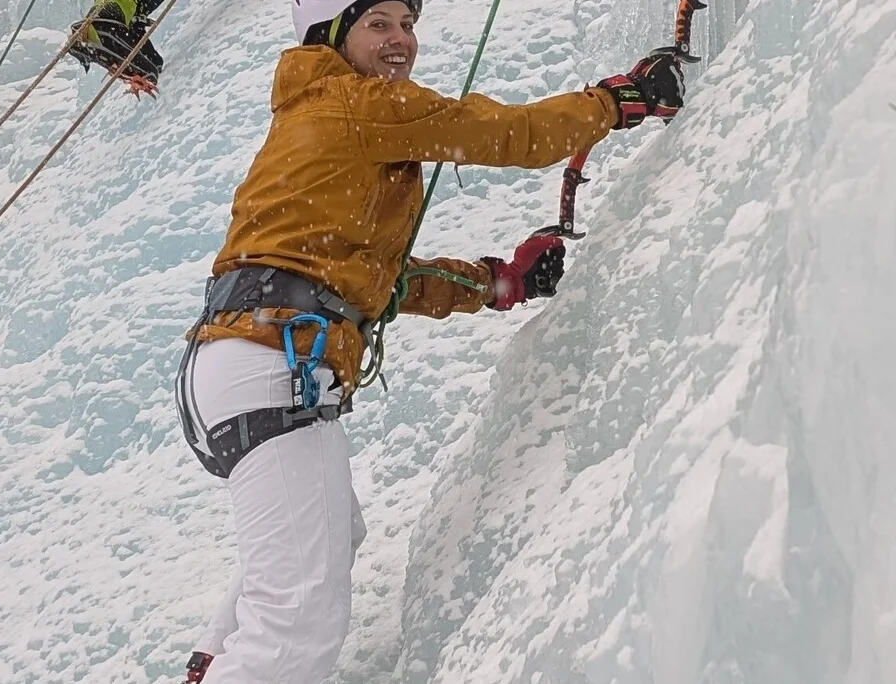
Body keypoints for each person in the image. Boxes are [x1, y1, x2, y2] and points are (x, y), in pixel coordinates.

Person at [174, 0, 686, 681]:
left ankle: (212, 663)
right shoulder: (351, 105)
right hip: (272, 361)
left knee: (318, 552)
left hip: (247, 360)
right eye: (378, 23)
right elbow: (509, 134)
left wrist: (496, 283)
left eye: (408, 25)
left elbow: (380, 280)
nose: (400, 41)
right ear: (332, 34)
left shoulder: (324, 114)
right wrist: (616, 101)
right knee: (296, 625)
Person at [68, 0, 165, 92]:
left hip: (112, 16)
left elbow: (138, 33)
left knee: (152, 68)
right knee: (151, 69)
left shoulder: (138, 15)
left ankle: (95, 34)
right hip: (114, 14)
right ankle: (99, 30)